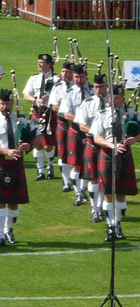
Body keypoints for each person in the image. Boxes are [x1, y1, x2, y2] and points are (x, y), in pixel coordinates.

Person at [0, 89, 38, 247]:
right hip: (0, 163)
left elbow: (38, 136)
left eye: (7, 104)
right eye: (1, 103)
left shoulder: (22, 119)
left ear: (12, 103)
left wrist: (30, 145)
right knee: (0, 202)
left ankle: (8, 230)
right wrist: (6, 151)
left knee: (14, 202)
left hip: (17, 164)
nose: (4, 106)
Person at [90, 85, 139, 242]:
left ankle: (117, 224)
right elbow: (96, 138)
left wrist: (135, 139)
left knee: (121, 192)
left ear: (123, 99)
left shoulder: (131, 113)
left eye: (116, 97)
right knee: (108, 193)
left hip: (125, 155)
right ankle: (110, 226)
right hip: (108, 155)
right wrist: (113, 146)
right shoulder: (103, 114)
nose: (113, 100)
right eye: (111, 97)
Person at [74, 73, 109, 222]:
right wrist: (97, 134)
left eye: (101, 87)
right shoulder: (87, 103)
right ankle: (95, 209)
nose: (98, 90)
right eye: (96, 87)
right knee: (94, 178)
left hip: (108, 145)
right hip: (92, 143)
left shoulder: (113, 102)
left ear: (107, 86)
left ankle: (102, 207)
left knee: (105, 179)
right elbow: (81, 125)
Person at [23, 54, 60, 180]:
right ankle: (40, 171)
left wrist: (51, 97)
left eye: (42, 62)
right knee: (37, 143)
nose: (39, 64)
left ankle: (50, 169)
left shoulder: (57, 79)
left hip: (50, 113)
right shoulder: (34, 78)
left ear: (49, 64)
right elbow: (26, 94)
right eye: (38, 62)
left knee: (48, 144)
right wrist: (35, 100)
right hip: (37, 112)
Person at [60, 64, 92, 207]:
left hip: (92, 132)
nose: (79, 80)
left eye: (81, 77)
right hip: (76, 131)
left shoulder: (93, 91)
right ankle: (78, 193)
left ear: (86, 76)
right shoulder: (69, 92)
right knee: (77, 164)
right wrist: (81, 121)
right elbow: (65, 113)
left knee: (89, 164)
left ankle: (84, 189)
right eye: (76, 77)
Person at [47, 62, 74, 192]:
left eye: (67, 72)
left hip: (77, 125)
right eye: (62, 71)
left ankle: (78, 185)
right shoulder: (57, 86)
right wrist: (68, 113)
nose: (64, 74)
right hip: (63, 124)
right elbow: (54, 106)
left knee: (78, 154)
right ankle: (66, 181)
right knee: (63, 153)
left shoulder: (80, 88)